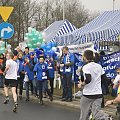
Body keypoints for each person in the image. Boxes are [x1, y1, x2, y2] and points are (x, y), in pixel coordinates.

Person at [78, 50, 111, 120]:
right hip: (98, 94)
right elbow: (105, 79)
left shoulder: (86, 67)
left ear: (85, 57)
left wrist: (81, 84)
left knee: (84, 115)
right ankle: (106, 118)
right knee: (96, 113)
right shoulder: (99, 66)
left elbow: (88, 79)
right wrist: (97, 83)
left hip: (88, 94)